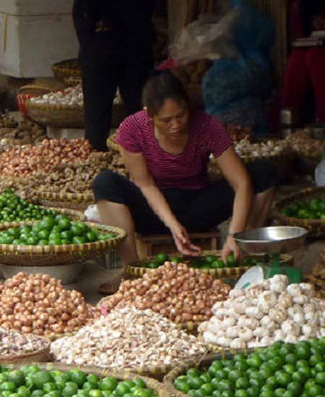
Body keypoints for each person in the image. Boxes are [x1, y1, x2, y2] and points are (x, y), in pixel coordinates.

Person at [92, 72, 276, 291]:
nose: (176, 125)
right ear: (149, 115)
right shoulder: (133, 128)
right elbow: (145, 184)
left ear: (188, 107)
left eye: (181, 115)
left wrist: (235, 235)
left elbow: (241, 183)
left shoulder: (208, 126)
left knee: (264, 172)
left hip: (198, 206)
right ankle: (130, 271)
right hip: (154, 210)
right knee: (105, 182)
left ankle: (245, 254)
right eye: (166, 120)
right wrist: (173, 225)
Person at [72, 0, 156, 152]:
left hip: (102, 38)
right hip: (136, 38)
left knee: (97, 110)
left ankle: (96, 159)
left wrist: (96, 21)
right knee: (138, 107)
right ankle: (142, 161)